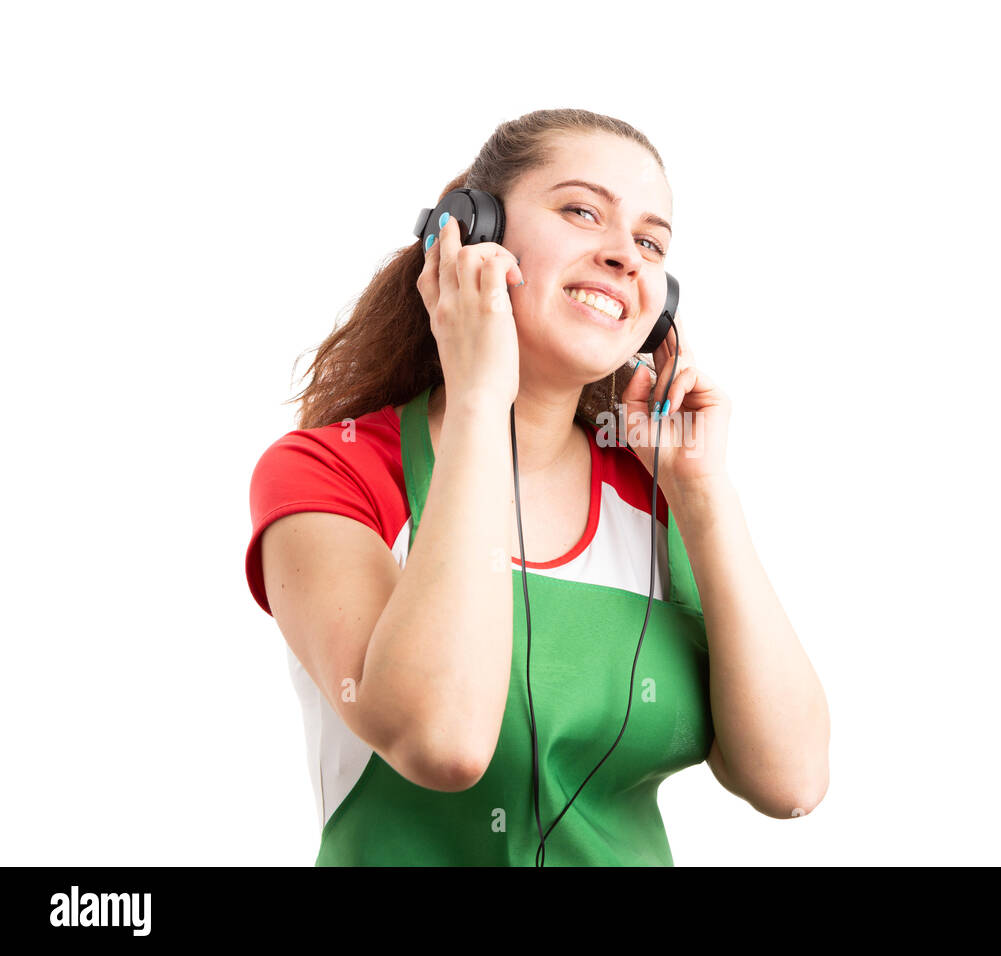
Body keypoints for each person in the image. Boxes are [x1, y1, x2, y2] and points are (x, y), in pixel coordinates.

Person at [245, 108, 830, 866]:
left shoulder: (657, 498)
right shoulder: (336, 471)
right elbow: (442, 743)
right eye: (583, 211)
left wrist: (703, 496)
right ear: (469, 234)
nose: (625, 255)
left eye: (651, 243)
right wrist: (482, 398)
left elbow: (792, 781)